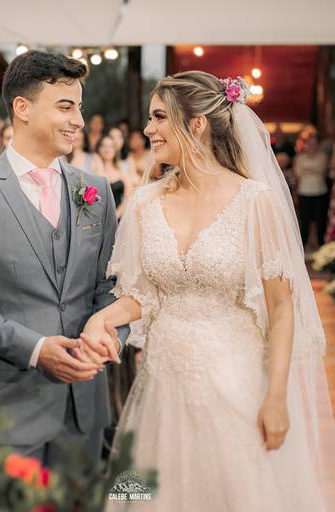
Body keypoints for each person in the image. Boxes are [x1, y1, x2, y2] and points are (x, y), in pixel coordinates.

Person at [82, 72, 335, 511]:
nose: (148, 129)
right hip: (161, 390)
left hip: (236, 386)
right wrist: (103, 317)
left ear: (196, 124)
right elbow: (143, 295)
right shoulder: (144, 203)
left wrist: (276, 396)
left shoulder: (255, 202)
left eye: (159, 117)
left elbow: (281, 308)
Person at [0, 50, 128, 469]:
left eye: (79, 107)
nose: (78, 120)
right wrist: (37, 349)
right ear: (22, 108)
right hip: (8, 412)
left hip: (84, 411)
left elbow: (111, 287)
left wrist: (111, 336)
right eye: (65, 106)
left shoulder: (96, 192)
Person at [293, 133, 328, 248]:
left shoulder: (322, 156)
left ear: (317, 145)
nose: (312, 146)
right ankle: (303, 244)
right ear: (306, 145)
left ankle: (321, 244)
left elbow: (322, 169)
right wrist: (313, 170)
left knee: (321, 220)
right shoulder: (300, 157)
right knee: (304, 221)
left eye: (314, 143)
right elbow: (298, 172)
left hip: (320, 192)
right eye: (310, 143)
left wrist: (307, 170)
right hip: (304, 192)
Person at [96, 135, 133, 219]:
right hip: (99, 217)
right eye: (103, 146)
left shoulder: (121, 171)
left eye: (110, 146)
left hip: (118, 216)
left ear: (115, 150)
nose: (107, 149)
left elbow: (127, 197)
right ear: (99, 149)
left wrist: (115, 216)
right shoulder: (95, 170)